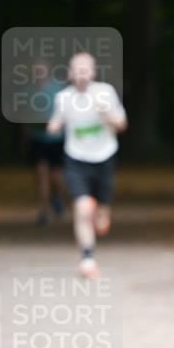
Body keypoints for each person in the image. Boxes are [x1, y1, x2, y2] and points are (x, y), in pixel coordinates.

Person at [47, 52, 127, 277]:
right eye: (77, 68)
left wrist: (108, 115)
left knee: (100, 208)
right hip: (76, 158)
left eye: (85, 68)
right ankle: (88, 258)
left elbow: (122, 124)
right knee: (82, 208)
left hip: (104, 156)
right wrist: (53, 126)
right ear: (70, 73)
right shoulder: (63, 98)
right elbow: (57, 119)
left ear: (93, 72)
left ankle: (103, 210)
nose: (81, 72)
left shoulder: (105, 92)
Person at [25, 61, 66, 225]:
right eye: (36, 70)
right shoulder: (28, 91)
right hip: (37, 138)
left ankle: (57, 197)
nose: (39, 72)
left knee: (56, 176)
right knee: (41, 173)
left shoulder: (58, 89)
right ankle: (44, 210)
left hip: (56, 139)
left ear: (48, 70)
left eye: (41, 69)